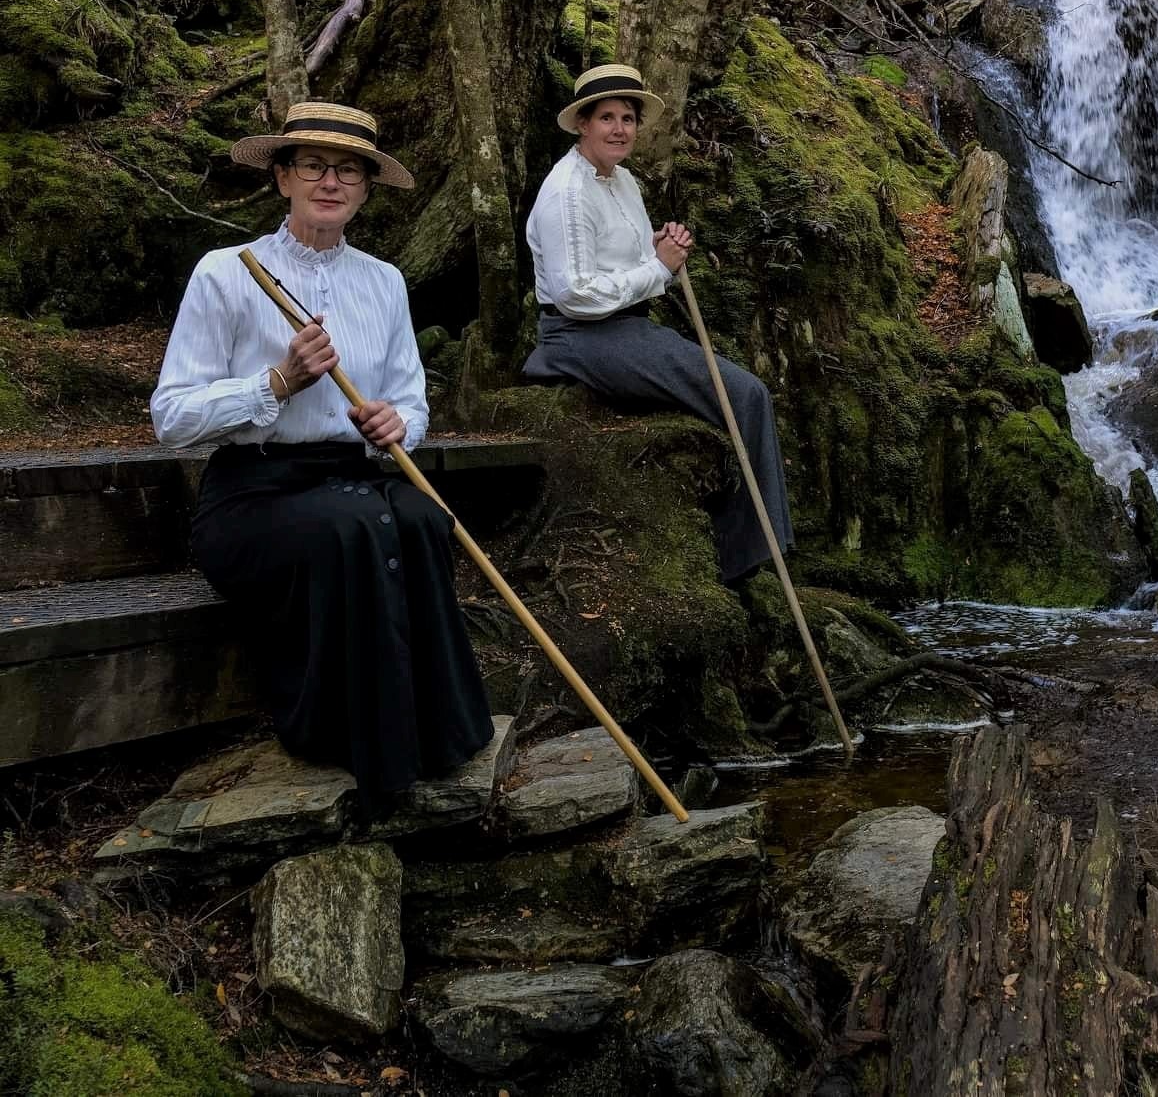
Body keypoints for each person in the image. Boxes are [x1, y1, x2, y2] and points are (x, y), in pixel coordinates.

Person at [151, 102, 495, 803]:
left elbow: (411, 400)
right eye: (313, 165)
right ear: (283, 178)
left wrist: (397, 426)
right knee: (356, 528)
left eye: (349, 170)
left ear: (366, 189)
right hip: (254, 493)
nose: (330, 181)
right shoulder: (227, 273)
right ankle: (347, 740)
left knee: (426, 521)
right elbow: (171, 419)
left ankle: (438, 735)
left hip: (355, 475)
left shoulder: (385, 282)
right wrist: (278, 382)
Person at [522, 63, 794, 582]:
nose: (620, 128)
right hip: (580, 336)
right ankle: (744, 557)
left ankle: (751, 546)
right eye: (607, 118)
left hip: (626, 326)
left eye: (628, 117)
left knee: (745, 394)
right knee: (745, 394)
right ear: (583, 124)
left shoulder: (622, 181)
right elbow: (575, 294)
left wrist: (658, 249)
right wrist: (658, 268)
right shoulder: (567, 194)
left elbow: (628, 263)